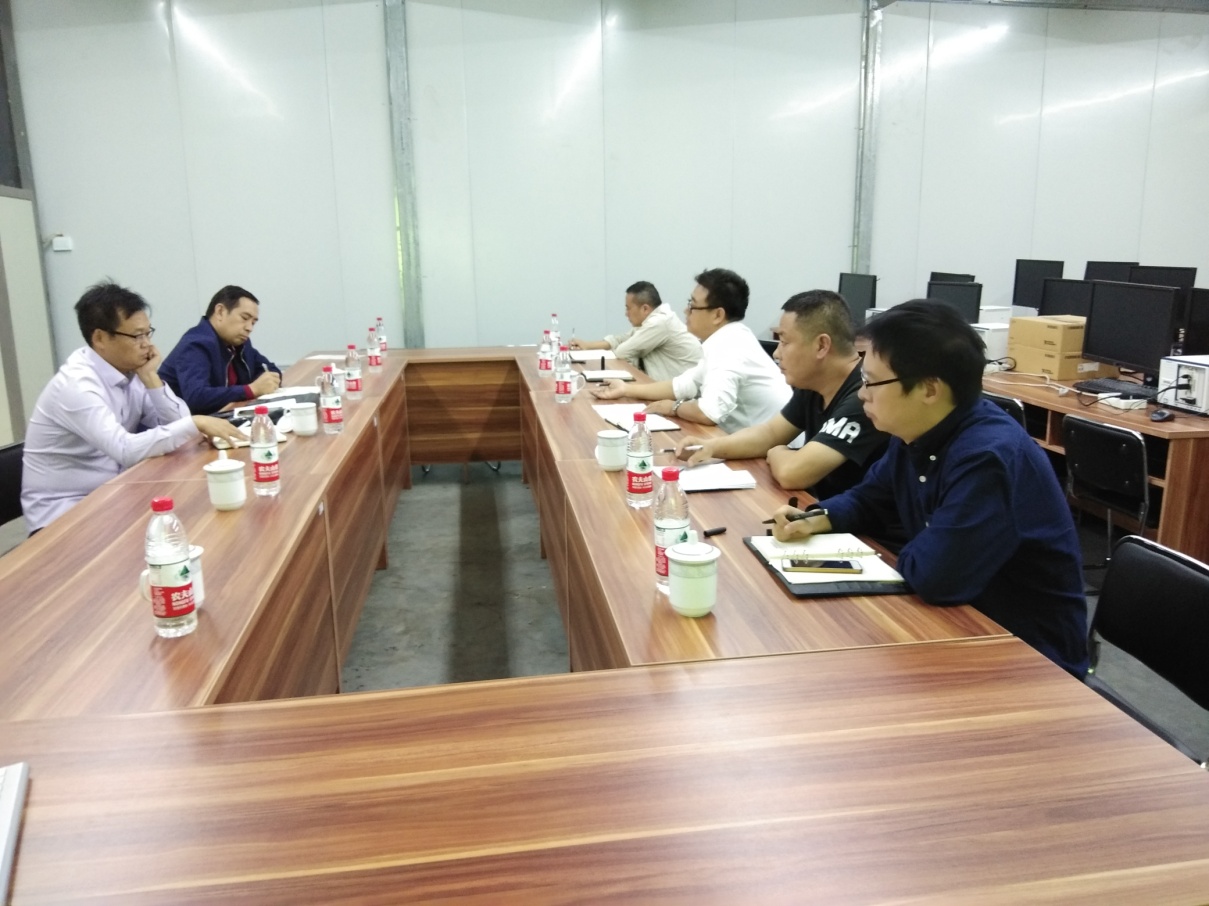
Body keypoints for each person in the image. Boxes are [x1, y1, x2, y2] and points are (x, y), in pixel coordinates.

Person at [770, 300, 1088, 676]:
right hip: (956, 626)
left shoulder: (987, 458)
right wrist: (816, 519)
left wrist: (905, 549)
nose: (862, 394)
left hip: (1027, 660)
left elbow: (936, 577)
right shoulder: (915, 431)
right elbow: (869, 499)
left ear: (929, 389)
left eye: (872, 382)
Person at [21, 281, 246, 532]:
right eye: (137, 336)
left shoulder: (130, 371)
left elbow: (179, 427)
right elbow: (125, 449)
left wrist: (151, 378)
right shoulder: (77, 386)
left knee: (197, 517)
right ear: (100, 338)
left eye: (148, 333)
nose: (147, 344)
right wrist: (196, 422)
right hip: (64, 513)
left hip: (113, 495)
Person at [674, 289, 888, 498]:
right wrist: (710, 447)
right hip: (818, 508)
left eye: (784, 342)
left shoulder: (864, 397)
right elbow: (769, 434)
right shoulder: (815, 385)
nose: (776, 353)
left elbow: (792, 473)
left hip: (854, 520)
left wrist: (777, 451)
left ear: (821, 346)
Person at [592, 268, 790, 433]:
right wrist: (625, 389)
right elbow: (683, 385)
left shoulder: (729, 347)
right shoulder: (726, 338)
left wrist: (673, 407)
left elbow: (707, 413)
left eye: (693, 305)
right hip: (747, 439)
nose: (686, 311)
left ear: (717, 315)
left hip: (771, 452)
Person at [159, 285, 281, 414]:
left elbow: (270, 369)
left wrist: (265, 383)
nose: (249, 328)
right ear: (220, 312)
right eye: (245, 318)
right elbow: (196, 397)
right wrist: (250, 390)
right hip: (180, 423)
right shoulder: (195, 344)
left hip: (222, 416)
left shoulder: (239, 343)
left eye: (253, 322)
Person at [569, 281, 701, 381]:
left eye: (628, 308)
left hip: (683, 397)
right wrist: (587, 345)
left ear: (645, 309)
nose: (626, 314)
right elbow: (622, 339)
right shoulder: (653, 320)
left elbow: (622, 352)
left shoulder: (660, 322)